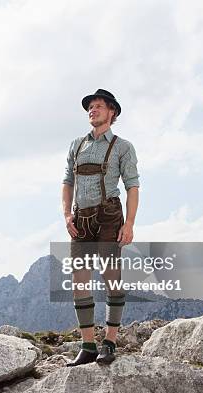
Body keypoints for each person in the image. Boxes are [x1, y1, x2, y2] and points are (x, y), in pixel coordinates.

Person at [61, 89, 140, 366]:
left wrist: (129, 224)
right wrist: (66, 215)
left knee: (111, 277)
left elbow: (132, 186)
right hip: (80, 219)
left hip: (109, 216)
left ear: (112, 112)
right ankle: (88, 346)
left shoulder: (123, 147)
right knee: (79, 281)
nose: (92, 110)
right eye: (90, 107)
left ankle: (110, 342)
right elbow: (67, 180)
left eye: (97, 106)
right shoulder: (76, 145)